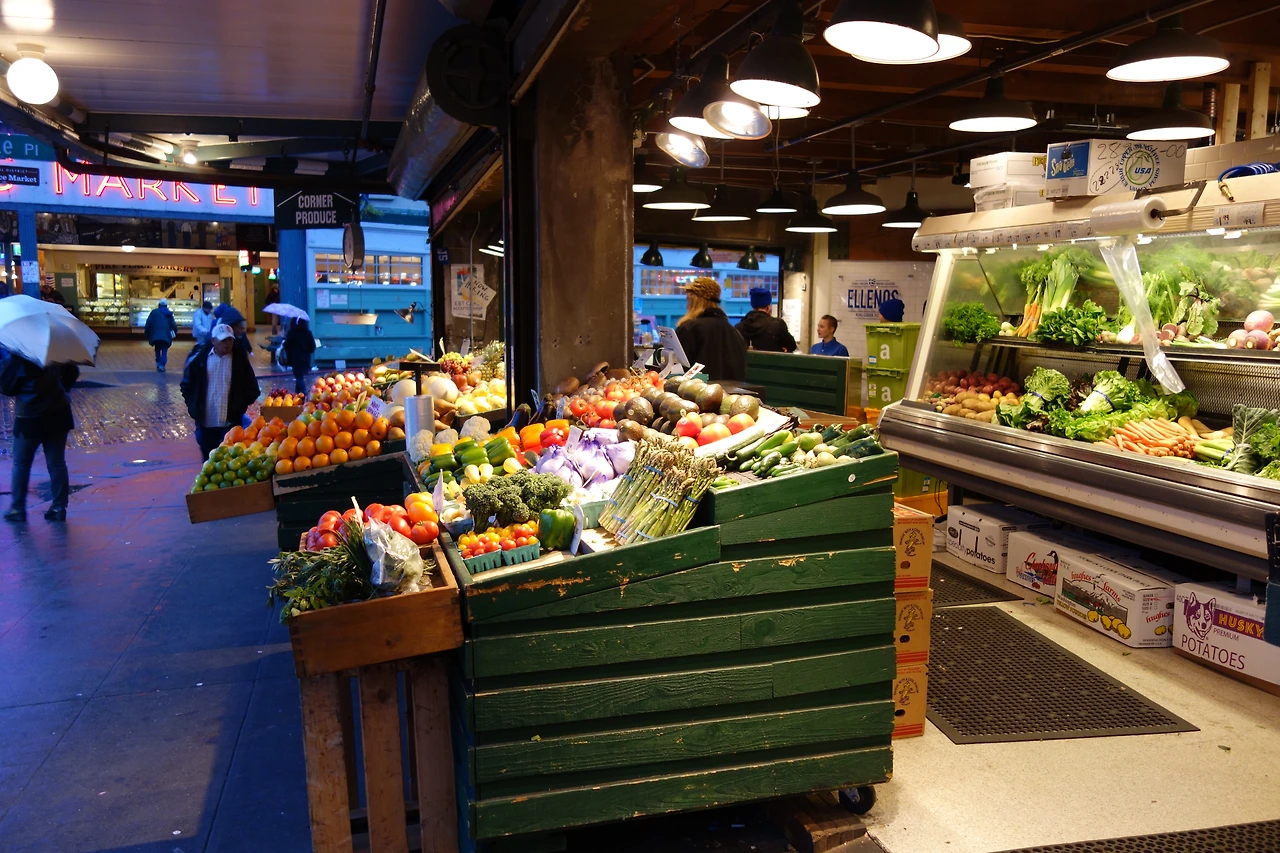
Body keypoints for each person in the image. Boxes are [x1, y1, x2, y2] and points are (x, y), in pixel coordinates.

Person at [0, 349, 79, 522]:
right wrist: (63, 387)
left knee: (21, 464)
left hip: (30, 416)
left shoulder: (19, 356)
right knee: (57, 463)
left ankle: (17, 508)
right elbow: (73, 371)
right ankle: (59, 507)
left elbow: (7, 387)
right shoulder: (55, 351)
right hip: (59, 412)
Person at [180, 324, 260, 462]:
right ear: (213, 341)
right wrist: (194, 407)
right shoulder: (200, 359)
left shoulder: (239, 361)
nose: (227, 343)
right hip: (206, 422)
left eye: (230, 340)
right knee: (208, 461)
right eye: (223, 340)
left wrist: (239, 406)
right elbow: (187, 385)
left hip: (230, 422)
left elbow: (252, 388)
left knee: (229, 460)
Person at [675, 277, 746, 381]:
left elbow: (678, 368)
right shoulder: (734, 332)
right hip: (731, 390)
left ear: (695, 300)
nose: (687, 306)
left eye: (688, 300)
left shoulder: (689, 329)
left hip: (698, 389)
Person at [735, 287, 796, 353]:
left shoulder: (738, 327)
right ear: (768, 307)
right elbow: (792, 346)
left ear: (752, 306)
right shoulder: (777, 325)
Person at [283, 317, 316, 393]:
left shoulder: (291, 333)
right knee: (299, 376)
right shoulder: (308, 333)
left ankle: (305, 393)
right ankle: (297, 393)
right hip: (305, 359)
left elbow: (287, 346)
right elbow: (313, 346)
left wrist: (283, 338)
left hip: (295, 359)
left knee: (299, 377)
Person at [144, 298, 178, 372]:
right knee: (164, 351)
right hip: (166, 336)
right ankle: (162, 365)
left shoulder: (154, 312)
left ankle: (158, 363)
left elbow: (148, 323)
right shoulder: (169, 313)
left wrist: (147, 333)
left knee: (157, 349)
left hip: (155, 335)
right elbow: (173, 325)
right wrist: (175, 331)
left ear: (159, 304)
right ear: (166, 305)